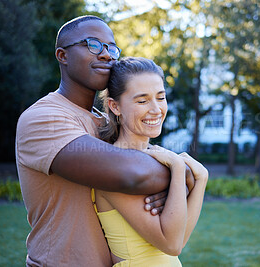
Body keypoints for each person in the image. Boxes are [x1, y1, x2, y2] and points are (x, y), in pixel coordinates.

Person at [15, 15, 194, 266]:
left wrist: (169, 180)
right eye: (93, 44)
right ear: (62, 55)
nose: (107, 55)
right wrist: (182, 174)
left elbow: (142, 166)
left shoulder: (103, 122)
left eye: (111, 47)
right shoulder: (44, 118)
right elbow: (131, 173)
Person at [92, 57, 208, 266]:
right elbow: (171, 244)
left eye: (160, 97)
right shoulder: (114, 168)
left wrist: (201, 179)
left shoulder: (152, 159)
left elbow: (179, 241)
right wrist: (178, 168)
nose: (156, 109)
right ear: (115, 106)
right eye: (142, 101)